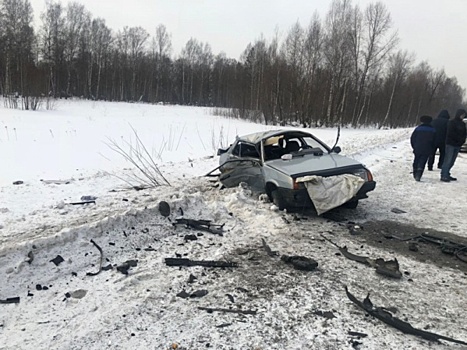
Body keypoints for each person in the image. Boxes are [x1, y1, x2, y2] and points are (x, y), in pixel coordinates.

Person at [440, 108, 467, 182]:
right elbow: (450, 133)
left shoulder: (462, 124)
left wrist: (462, 140)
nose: (462, 116)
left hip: (458, 144)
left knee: (452, 160)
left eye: (464, 115)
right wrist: (458, 139)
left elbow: (464, 133)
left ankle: (447, 173)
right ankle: (444, 175)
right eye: (462, 115)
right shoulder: (451, 122)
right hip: (450, 143)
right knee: (448, 160)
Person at [410, 115, 436, 181]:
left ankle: (415, 171)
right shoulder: (433, 130)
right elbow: (435, 140)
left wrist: (414, 146)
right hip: (427, 148)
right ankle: (419, 173)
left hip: (418, 147)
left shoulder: (418, 129)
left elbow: (413, 138)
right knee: (423, 161)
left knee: (416, 159)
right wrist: (432, 148)